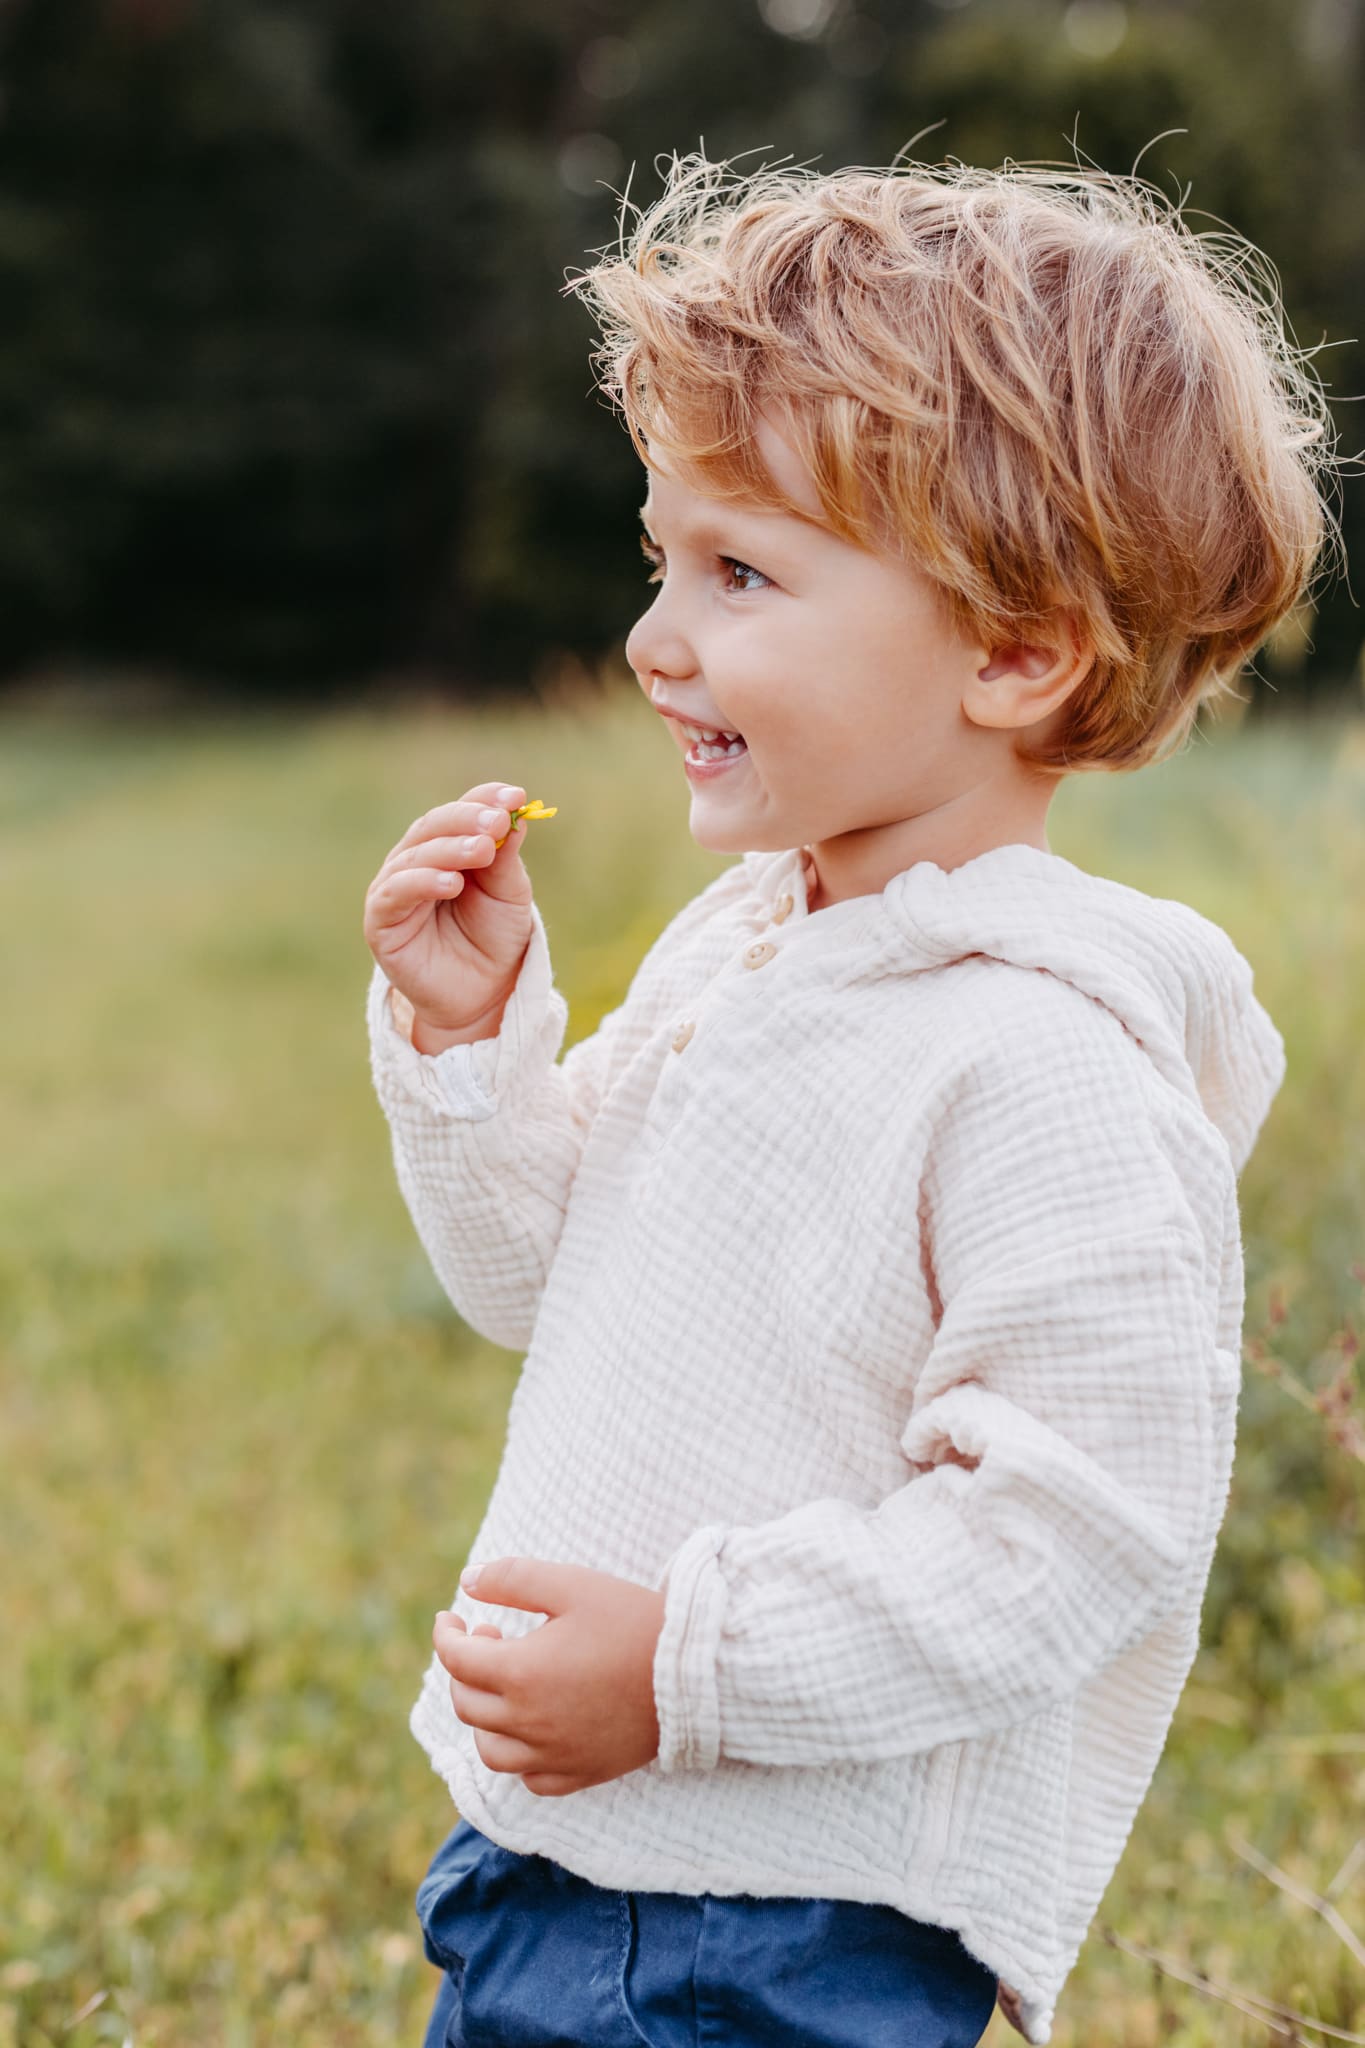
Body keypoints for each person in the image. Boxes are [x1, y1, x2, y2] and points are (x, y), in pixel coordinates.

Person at [361, 150, 1333, 2047]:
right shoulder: (755, 946)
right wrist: (476, 1058)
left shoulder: (1042, 1059)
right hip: (564, 1858)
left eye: (739, 573)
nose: (655, 637)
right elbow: (545, 1288)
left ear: (1015, 649)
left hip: (784, 1918)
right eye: (662, 557)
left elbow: (1073, 1527)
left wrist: (686, 1670)